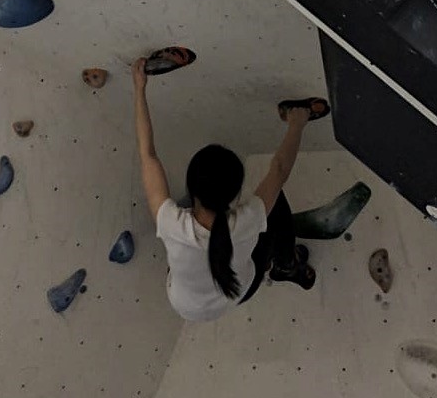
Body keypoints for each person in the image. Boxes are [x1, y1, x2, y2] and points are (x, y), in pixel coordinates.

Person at [132, 57, 316, 323]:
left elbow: (147, 153)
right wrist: (297, 123)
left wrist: (140, 89)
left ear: (192, 190)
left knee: (269, 204)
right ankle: (286, 265)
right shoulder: (177, 221)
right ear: (235, 195)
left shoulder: (175, 223)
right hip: (236, 291)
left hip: (188, 306)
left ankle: (284, 263)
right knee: (275, 204)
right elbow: (278, 170)